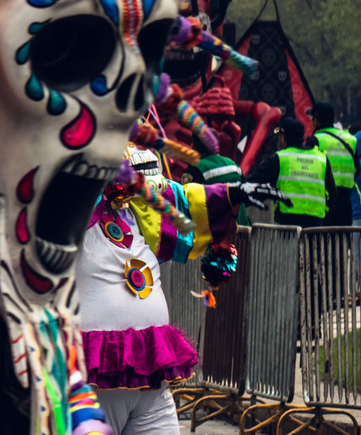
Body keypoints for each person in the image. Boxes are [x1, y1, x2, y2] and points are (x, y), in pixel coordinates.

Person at [76, 145, 277, 435]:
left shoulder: (138, 215)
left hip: (151, 388)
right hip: (92, 386)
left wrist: (233, 194)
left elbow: (184, 201)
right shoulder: (67, 220)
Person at [251, 117, 331, 228]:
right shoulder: (321, 158)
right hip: (315, 229)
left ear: (283, 138)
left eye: (279, 136)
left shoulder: (279, 158)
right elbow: (332, 194)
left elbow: (252, 183)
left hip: (287, 228)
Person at [310, 102, 357, 226]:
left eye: (312, 118)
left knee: (323, 243)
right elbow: (357, 170)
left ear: (316, 120)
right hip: (346, 203)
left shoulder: (316, 140)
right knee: (342, 242)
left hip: (324, 202)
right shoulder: (350, 139)